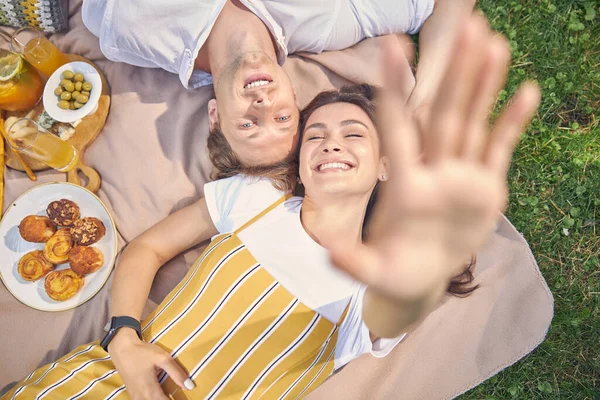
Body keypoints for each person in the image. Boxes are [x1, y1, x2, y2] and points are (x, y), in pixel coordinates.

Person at [2, 16, 539, 400]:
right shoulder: (257, 198)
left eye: (354, 134)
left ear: (383, 167)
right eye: (316, 136)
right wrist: (122, 336)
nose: (330, 143)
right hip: (94, 382)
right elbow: (147, 247)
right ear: (298, 167)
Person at [81, 0, 475, 167]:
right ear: (292, 91)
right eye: (283, 116)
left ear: (215, 115)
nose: (262, 103)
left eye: (248, 124)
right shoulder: (326, 23)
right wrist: (424, 100)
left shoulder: (127, 29)